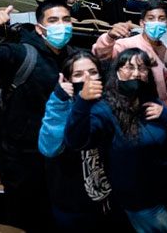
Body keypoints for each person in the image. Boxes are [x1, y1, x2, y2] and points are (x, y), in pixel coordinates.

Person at [0, 0, 75, 232]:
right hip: (20, 156)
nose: (61, 26)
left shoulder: (73, 58)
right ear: (39, 27)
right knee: (24, 214)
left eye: (66, 20)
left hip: (56, 153)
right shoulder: (21, 52)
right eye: (53, 20)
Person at [65, 48, 167, 232]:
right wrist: (82, 102)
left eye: (142, 68)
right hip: (141, 202)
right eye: (129, 67)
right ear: (117, 71)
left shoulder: (152, 102)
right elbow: (76, 141)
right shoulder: (104, 109)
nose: (136, 73)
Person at [38, 52, 116, 232]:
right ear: (66, 79)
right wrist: (60, 99)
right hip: (72, 205)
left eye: (92, 72)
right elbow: (49, 148)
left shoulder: (108, 102)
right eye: (79, 74)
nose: (87, 78)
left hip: (108, 199)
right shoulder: (60, 105)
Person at [92, 0, 167, 108]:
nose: (156, 22)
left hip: (161, 112)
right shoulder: (126, 44)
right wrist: (109, 37)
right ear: (142, 23)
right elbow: (100, 55)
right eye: (151, 18)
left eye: (161, 19)